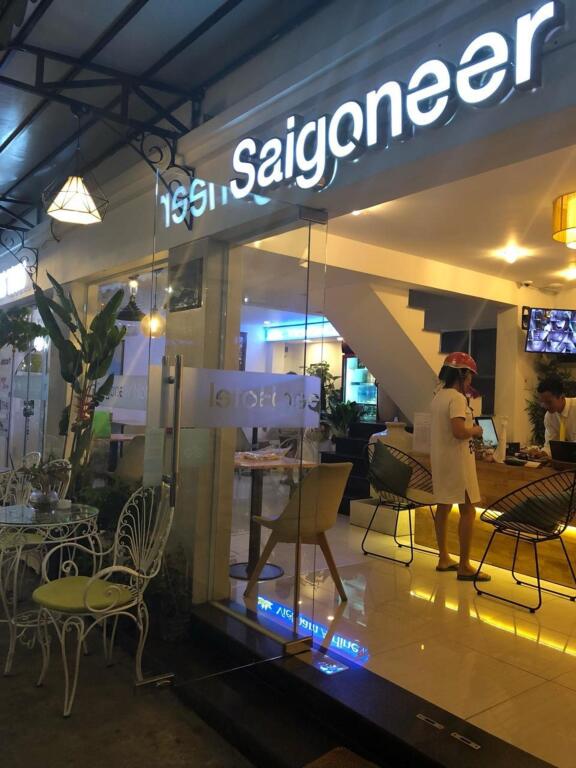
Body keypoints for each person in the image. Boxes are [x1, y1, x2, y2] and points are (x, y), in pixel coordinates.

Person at [430, 352, 491, 582]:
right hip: (458, 462)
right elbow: (459, 431)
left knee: (443, 507)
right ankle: (464, 565)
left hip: (442, 460)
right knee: (468, 510)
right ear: (463, 374)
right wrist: (476, 430)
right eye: (470, 376)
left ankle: (444, 557)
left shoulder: (438, 396)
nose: (470, 381)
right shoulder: (457, 398)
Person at [532, 378, 576, 455]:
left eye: (549, 402)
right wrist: (542, 454)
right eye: (542, 402)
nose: (545, 406)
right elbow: (550, 445)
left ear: (562, 397)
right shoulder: (549, 416)